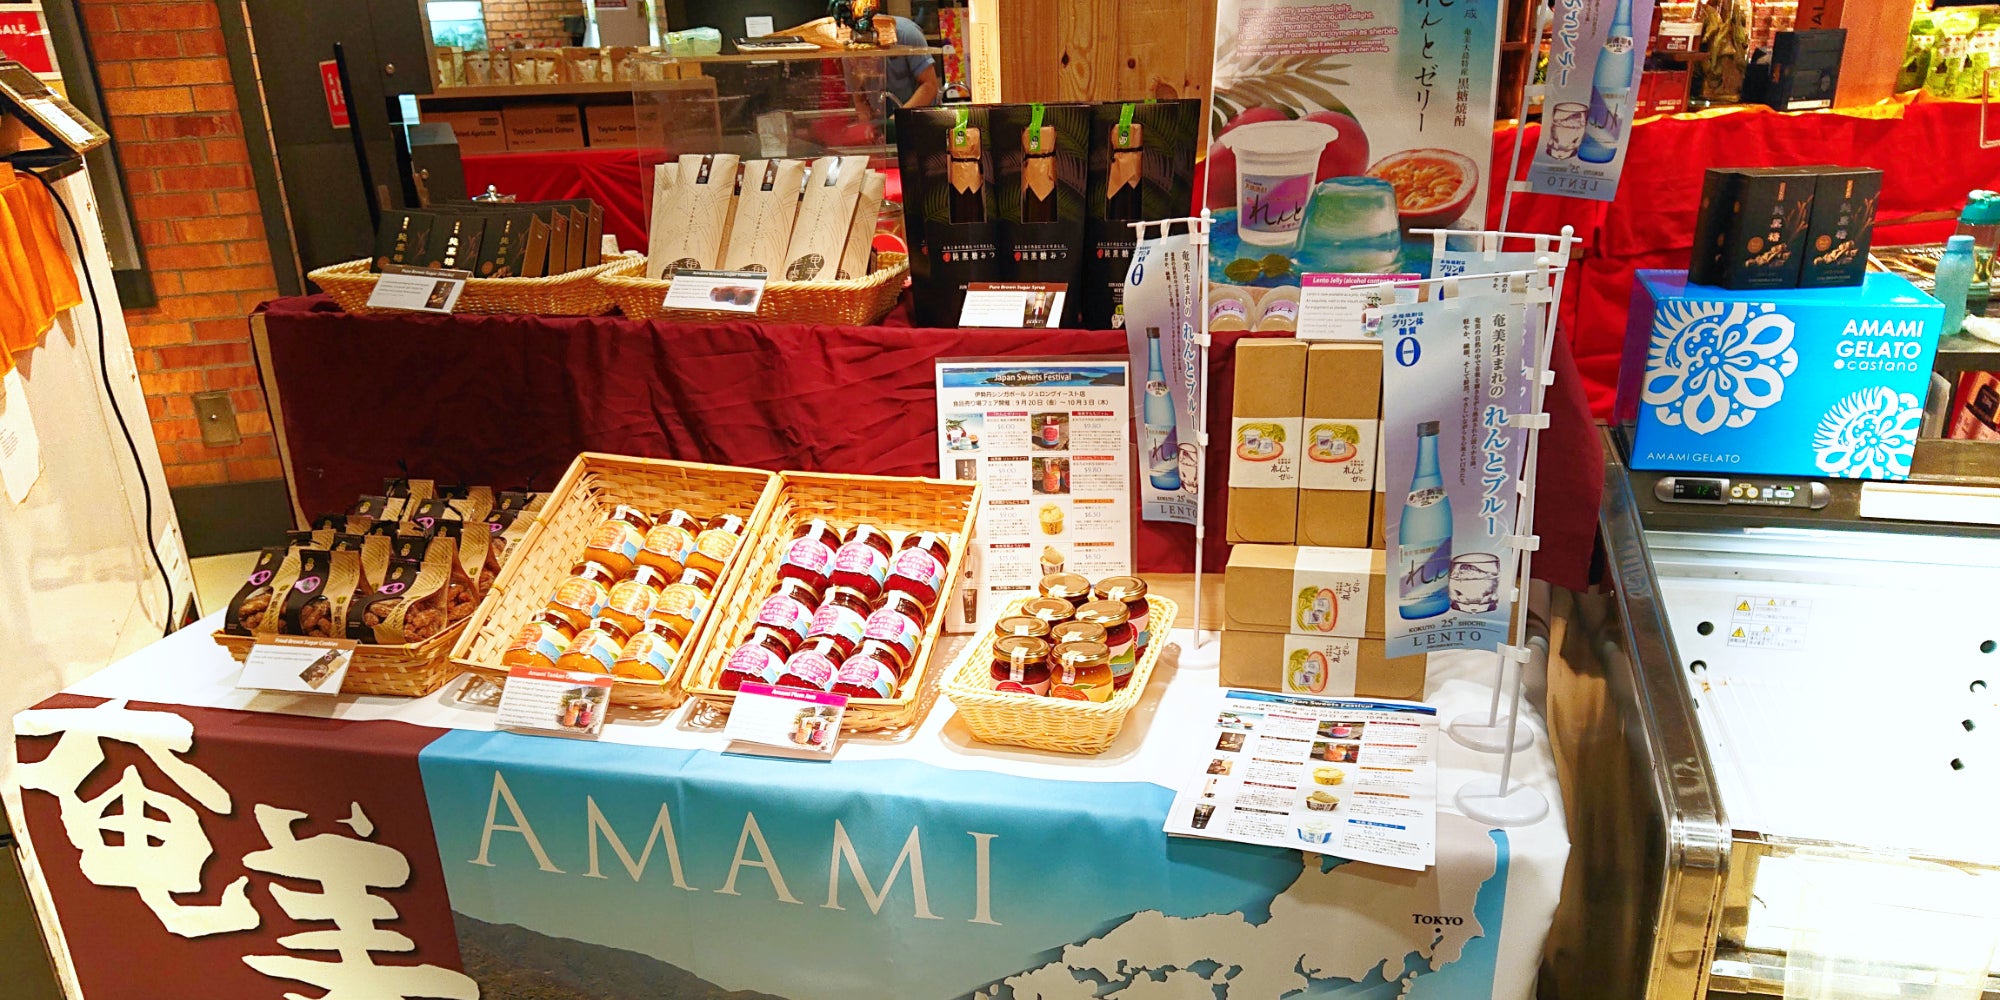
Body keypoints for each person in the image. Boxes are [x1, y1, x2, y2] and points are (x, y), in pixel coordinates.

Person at [882, 14, 939, 108]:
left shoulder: (908, 34)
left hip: (919, 113)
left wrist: (900, 115)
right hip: (881, 112)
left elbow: (930, 86)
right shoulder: (855, 40)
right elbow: (859, 95)